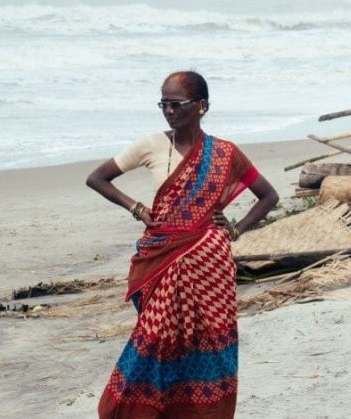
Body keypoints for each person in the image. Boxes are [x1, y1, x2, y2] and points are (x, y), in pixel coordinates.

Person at [86, 71, 279, 419]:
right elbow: (97, 178)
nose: (168, 111)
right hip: (160, 258)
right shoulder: (151, 145)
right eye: (163, 103)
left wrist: (235, 229)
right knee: (155, 341)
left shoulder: (224, 153)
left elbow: (268, 196)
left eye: (176, 103)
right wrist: (138, 209)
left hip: (210, 267)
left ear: (202, 106)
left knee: (206, 346)